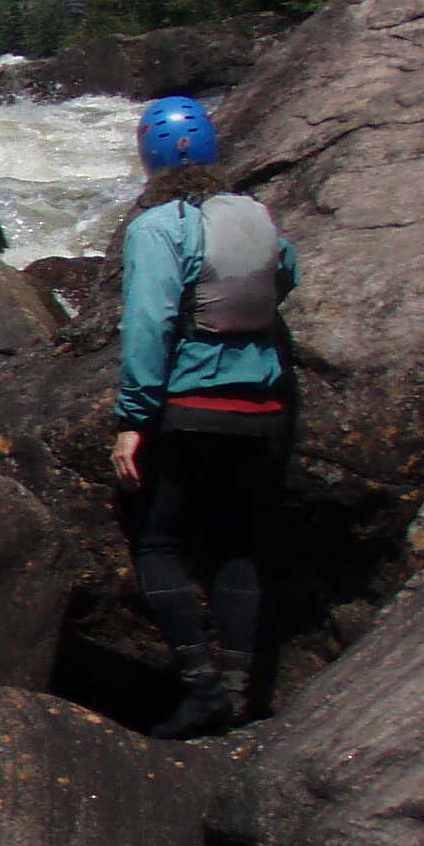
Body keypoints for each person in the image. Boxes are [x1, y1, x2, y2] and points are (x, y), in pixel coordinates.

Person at [111, 95, 296, 740]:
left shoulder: (158, 226)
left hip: (191, 411)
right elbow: (287, 274)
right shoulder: (257, 216)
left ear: (151, 158)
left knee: (157, 542)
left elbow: (148, 324)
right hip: (265, 410)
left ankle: (202, 688)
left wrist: (133, 419)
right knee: (239, 547)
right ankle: (246, 692)